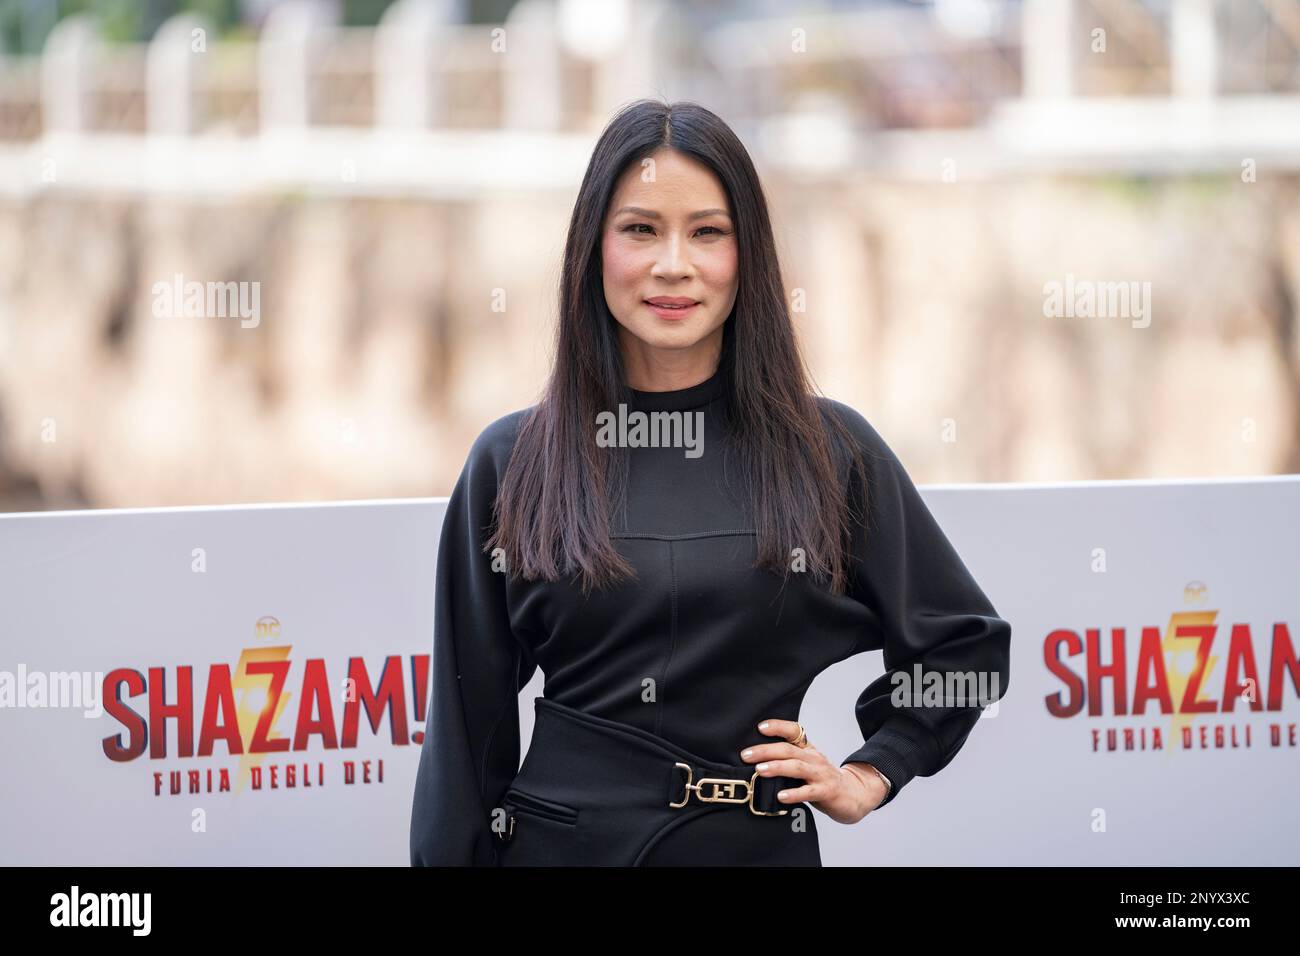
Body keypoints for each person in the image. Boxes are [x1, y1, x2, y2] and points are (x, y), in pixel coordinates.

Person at [409, 99, 1011, 867]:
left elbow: (966, 650)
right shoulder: (513, 460)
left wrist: (872, 770)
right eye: (639, 230)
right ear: (592, 249)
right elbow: (466, 731)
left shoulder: (830, 453)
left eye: (706, 232)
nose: (673, 264)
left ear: (746, 254)